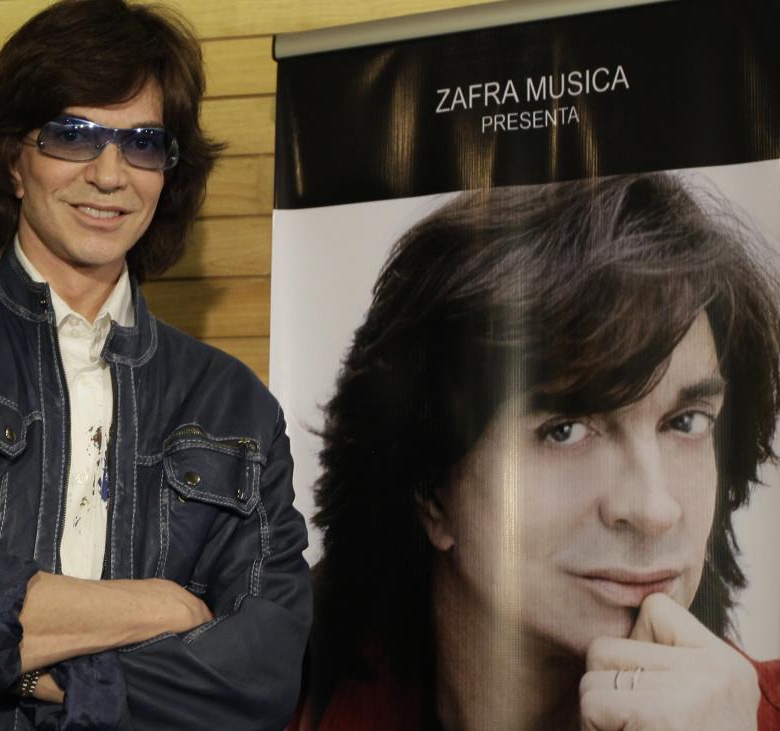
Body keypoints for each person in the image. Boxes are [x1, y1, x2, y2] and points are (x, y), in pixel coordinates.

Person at [0, 1, 310, 729]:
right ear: (14, 161)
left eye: (143, 143)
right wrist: (165, 606)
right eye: (74, 135)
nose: (110, 174)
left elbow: (261, 677)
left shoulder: (235, 406)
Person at [292, 174, 780, 730]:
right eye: (566, 430)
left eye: (686, 422)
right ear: (430, 488)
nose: (655, 509)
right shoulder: (257, 705)